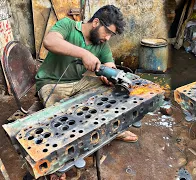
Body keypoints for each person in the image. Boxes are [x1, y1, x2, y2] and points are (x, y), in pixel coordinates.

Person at [35, 5, 138, 144]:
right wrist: (84, 54)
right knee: (62, 120)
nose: (108, 38)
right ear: (96, 22)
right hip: (51, 83)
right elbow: (50, 41)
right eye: (107, 32)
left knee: (112, 92)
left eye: (111, 35)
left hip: (79, 82)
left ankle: (113, 127)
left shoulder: (101, 44)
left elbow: (109, 65)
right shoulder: (68, 25)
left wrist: (109, 76)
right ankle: (75, 146)